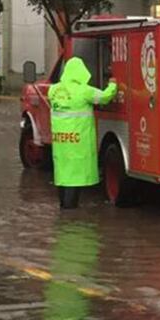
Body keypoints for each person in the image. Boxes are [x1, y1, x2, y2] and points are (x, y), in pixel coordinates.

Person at [48, 57, 118, 209]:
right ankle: (70, 210)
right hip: (78, 141)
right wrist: (113, 84)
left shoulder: (53, 90)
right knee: (75, 177)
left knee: (63, 176)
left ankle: (64, 209)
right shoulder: (84, 91)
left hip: (61, 142)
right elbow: (105, 97)